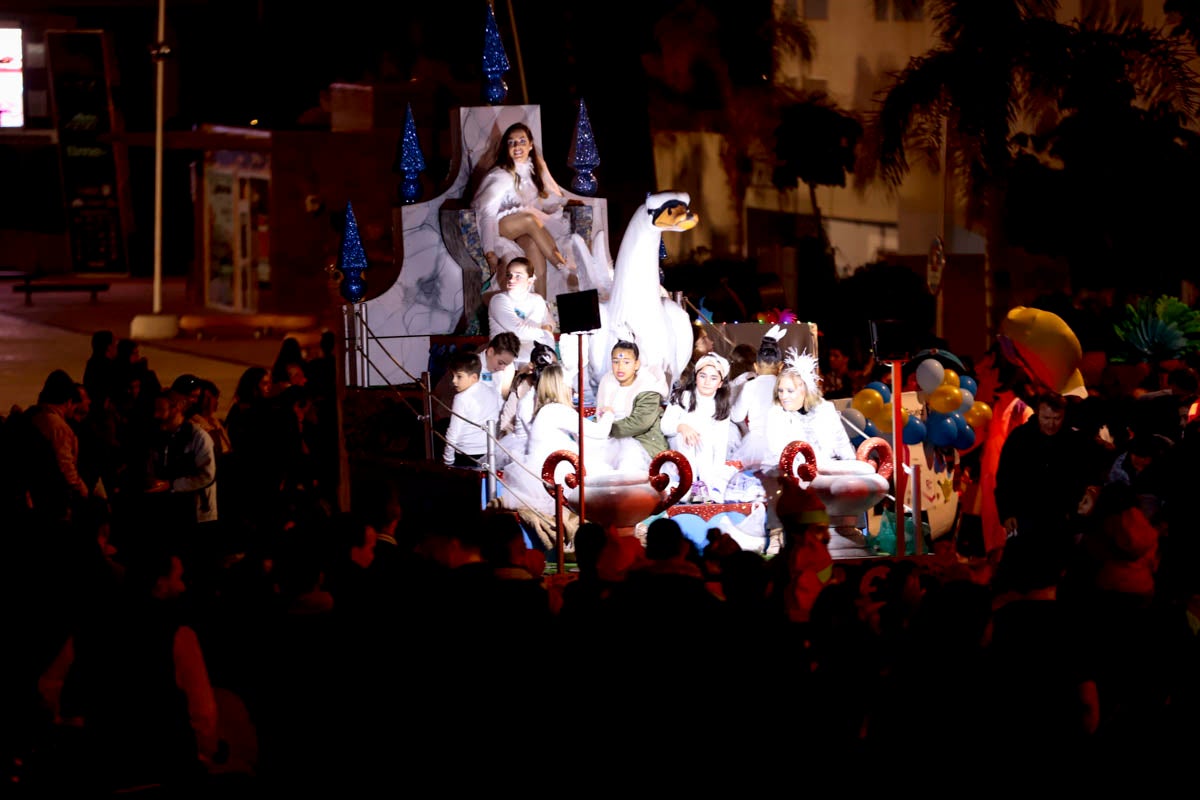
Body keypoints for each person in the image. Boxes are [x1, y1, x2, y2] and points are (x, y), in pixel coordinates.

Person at [497, 364, 614, 519]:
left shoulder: (546, 409)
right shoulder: (557, 410)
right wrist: (609, 414)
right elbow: (600, 432)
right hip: (553, 472)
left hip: (547, 467)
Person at [471, 121, 574, 292]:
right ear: (506, 147)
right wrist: (489, 252)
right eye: (511, 142)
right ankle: (564, 269)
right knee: (529, 219)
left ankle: (541, 303)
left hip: (521, 229)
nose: (516, 146)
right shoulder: (501, 175)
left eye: (522, 141)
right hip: (498, 227)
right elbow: (487, 214)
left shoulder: (532, 171)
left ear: (531, 145)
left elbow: (549, 198)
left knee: (533, 244)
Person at [660, 352, 741, 502]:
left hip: (706, 451)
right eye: (703, 376)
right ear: (695, 377)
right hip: (681, 446)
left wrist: (716, 474)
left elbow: (720, 442)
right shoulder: (683, 397)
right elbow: (665, 426)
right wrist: (681, 426)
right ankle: (688, 484)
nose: (707, 382)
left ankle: (705, 485)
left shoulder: (720, 405)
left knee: (706, 442)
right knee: (686, 438)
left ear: (720, 383)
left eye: (713, 378)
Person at [595, 339, 670, 472]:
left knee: (627, 464)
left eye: (626, 362)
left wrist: (604, 428)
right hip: (609, 438)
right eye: (615, 362)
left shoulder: (648, 385)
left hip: (640, 440)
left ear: (636, 364)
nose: (620, 367)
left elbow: (640, 423)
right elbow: (599, 414)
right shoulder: (607, 382)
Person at [487, 256, 557, 364]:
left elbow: (549, 324)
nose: (511, 279)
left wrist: (546, 333)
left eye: (518, 276)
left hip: (535, 359)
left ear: (530, 280)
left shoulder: (537, 300)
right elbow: (517, 330)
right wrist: (544, 334)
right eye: (509, 275)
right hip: (505, 360)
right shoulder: (499, 300)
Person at [442, 352, 503, 469]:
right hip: (489, 451)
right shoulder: (492, 392)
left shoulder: (461, 398)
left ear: (474, 377)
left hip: (466, 454)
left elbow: (453, 432)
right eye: (453, 376)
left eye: (459, 376)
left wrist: (448, 461)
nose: (454, 381)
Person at [731, 325, 785, 447]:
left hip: (756, 443)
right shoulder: (784, 385)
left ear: (755, 366)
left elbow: (737, 416)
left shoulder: (750, 386)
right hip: (781, 441)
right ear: (781, 366)